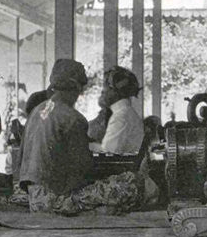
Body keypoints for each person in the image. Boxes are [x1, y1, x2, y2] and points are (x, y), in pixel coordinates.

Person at [18, 58, 144, 215]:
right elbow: (82, 171)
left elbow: (21, 159)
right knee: (132, 182)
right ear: (76, 87)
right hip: (56, 201)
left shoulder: (37, 111)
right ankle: (86, 214)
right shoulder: (73, 118)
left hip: (33, 198)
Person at [90, 66, 144, 155]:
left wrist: (84, 145)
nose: (102, 92)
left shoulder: (121, 116)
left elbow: (109, 152)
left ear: (116, 91)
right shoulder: (126, 113)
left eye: (105, 86)